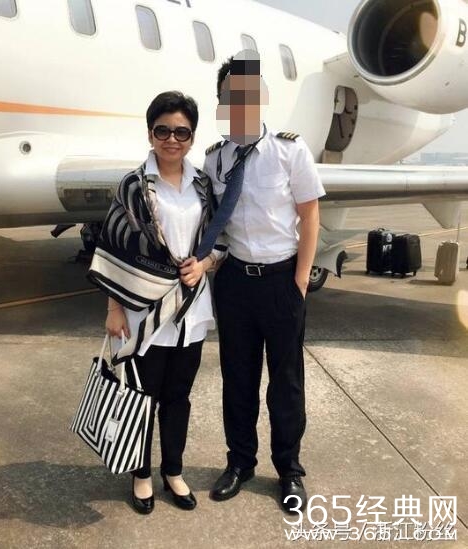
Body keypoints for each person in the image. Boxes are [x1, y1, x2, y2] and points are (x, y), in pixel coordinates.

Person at [201, 50, 326, 513]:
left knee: (286, 383)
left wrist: (299, 281)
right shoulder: (215, 160)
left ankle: (289, 469)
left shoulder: (290, 151)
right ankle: (240, 462)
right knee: (238, 378)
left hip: (280, 281)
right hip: (235, 282)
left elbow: (310, 216)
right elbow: (215, 223)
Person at [88, 91, 220, 514]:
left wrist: (205, 264)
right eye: (163, 131)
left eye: (181, 132)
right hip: (143, 312)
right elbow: (114, 245)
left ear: (192, 137)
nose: (171, 139)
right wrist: (113, 308)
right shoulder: (133, 185)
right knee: (141, 397)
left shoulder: (202, 185)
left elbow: (219, 240)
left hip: (191, 310)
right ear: (150, 134)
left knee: (179, 395)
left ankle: (173, 471)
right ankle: (141, 474)